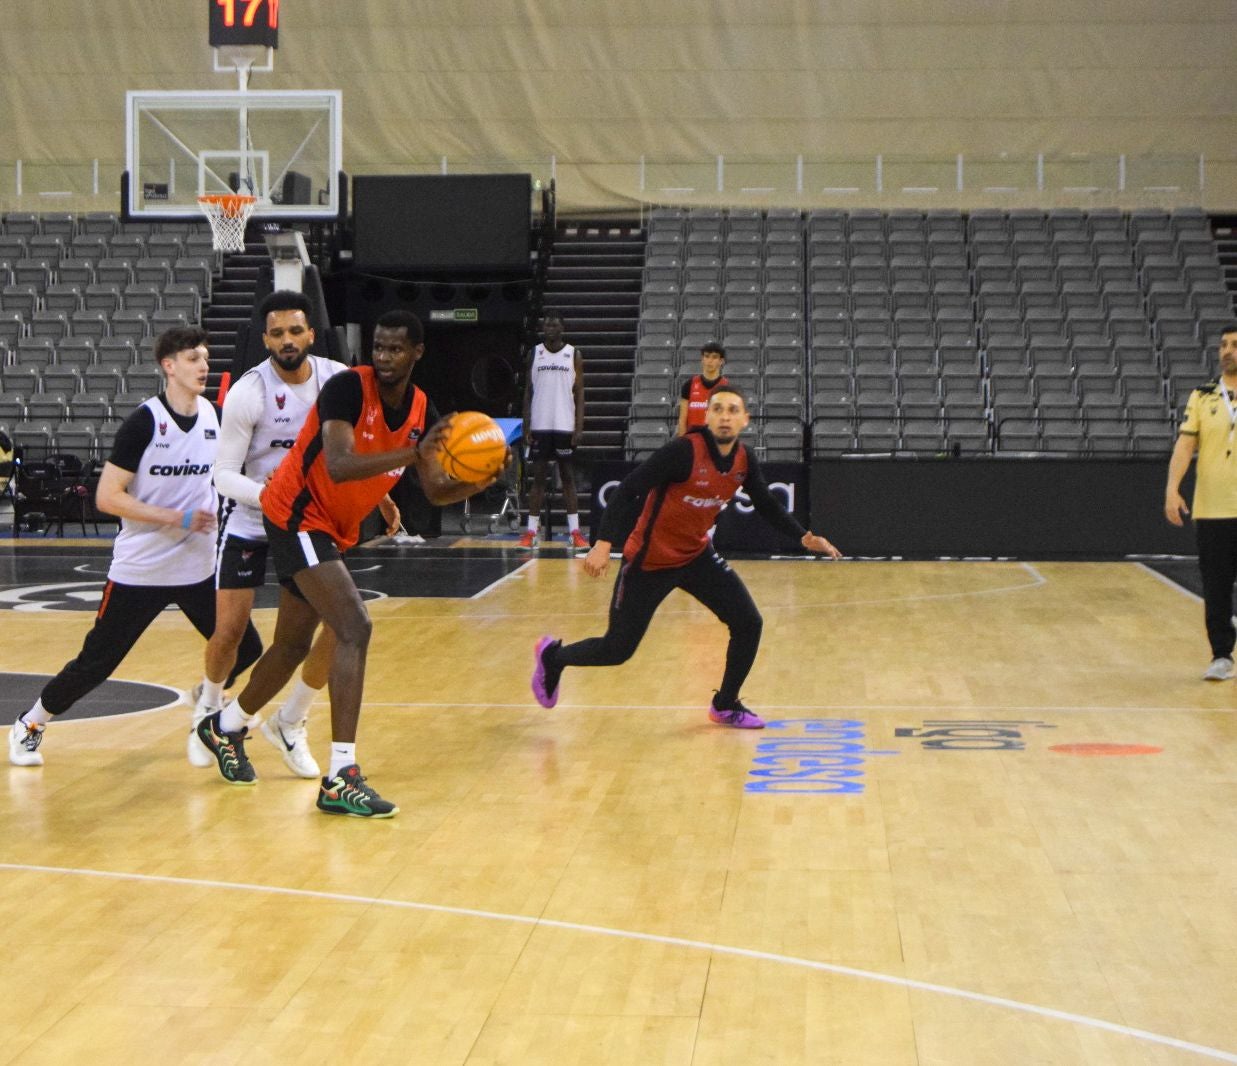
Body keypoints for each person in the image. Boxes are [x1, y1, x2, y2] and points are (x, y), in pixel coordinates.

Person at [195, 309, 501, 816]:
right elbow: (338, 464)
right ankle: (341, 776)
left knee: (292, 645)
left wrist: (478, 481)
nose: (384, 357)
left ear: (417, 353)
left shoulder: (421, 409)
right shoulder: (347, 389)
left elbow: (432, 489)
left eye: (395, 349)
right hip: (295, 514)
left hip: (332, 525)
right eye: (378, 347)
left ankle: (224, 727)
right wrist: (414, 454)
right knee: (354, 626)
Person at [9, 327, 261, 766]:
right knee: (96, 663)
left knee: (248, 647)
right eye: (193, 358)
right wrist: (176, 517)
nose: (204, 366)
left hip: (199, 566)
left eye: (206, 357)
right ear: (169, 366)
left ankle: (206, 700)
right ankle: (30, 723)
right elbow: (108, 498)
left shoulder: (217, 417)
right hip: (141, 569)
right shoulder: (144, 423)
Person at [531, 384, 841, 727]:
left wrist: (803, 537)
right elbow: (628, 490)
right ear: (706, 416)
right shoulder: (684, 452)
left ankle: (725, 704)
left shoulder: (743, 460)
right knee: (617, 649)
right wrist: (603, 543)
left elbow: (766, 503)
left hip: (695, 556)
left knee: (748, 623)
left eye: (733, 410)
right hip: (649, 561)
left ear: (745, 419)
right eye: (718, 409)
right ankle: (553, 657)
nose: (725, 417)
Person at [187, 290, 400, 777]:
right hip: (250, 516)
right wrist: (272, 497)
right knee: (230, 632)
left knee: (337, 626)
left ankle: (291, 719)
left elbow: (352, 451)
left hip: (307, 521)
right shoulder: (249, 393)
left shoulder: (336, 380)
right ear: (265, 340)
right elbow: (223, 475)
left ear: (311, 335)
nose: (287, 340)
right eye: (277, 333)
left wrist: (379, 495)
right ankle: (209, 706)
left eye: (295, 331)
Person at [1165, 322, 1237, 680]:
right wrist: (1172, 488)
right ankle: (1221, 655)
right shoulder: (1202, 395)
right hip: (1212, 509)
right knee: (1216, 586)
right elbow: (1185, 445)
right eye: (1223, 345)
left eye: (1234, 345)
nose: (1227, 351)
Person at [518, 310, 588, 550]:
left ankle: (575, 532)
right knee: (538, 479)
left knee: (567, 478)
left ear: (562, 329)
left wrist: (579, 426)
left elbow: (580, 392)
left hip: (564, 425)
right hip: (540, 424)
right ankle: (530, 532)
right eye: (546, 325)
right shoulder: (534, 353)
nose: (549, 329)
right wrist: (526, 423)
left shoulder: (573, 354)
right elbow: (528, 391)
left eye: (554, 325)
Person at [676, 341, 729, 436]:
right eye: (707, 356)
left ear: (721, 361)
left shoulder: (726, 387)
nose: (710, 361)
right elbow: (682, 420)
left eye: (714, 357)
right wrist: (682, 441)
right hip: (692, 438)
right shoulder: (689, 385)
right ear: (702, 359)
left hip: (715, 439)